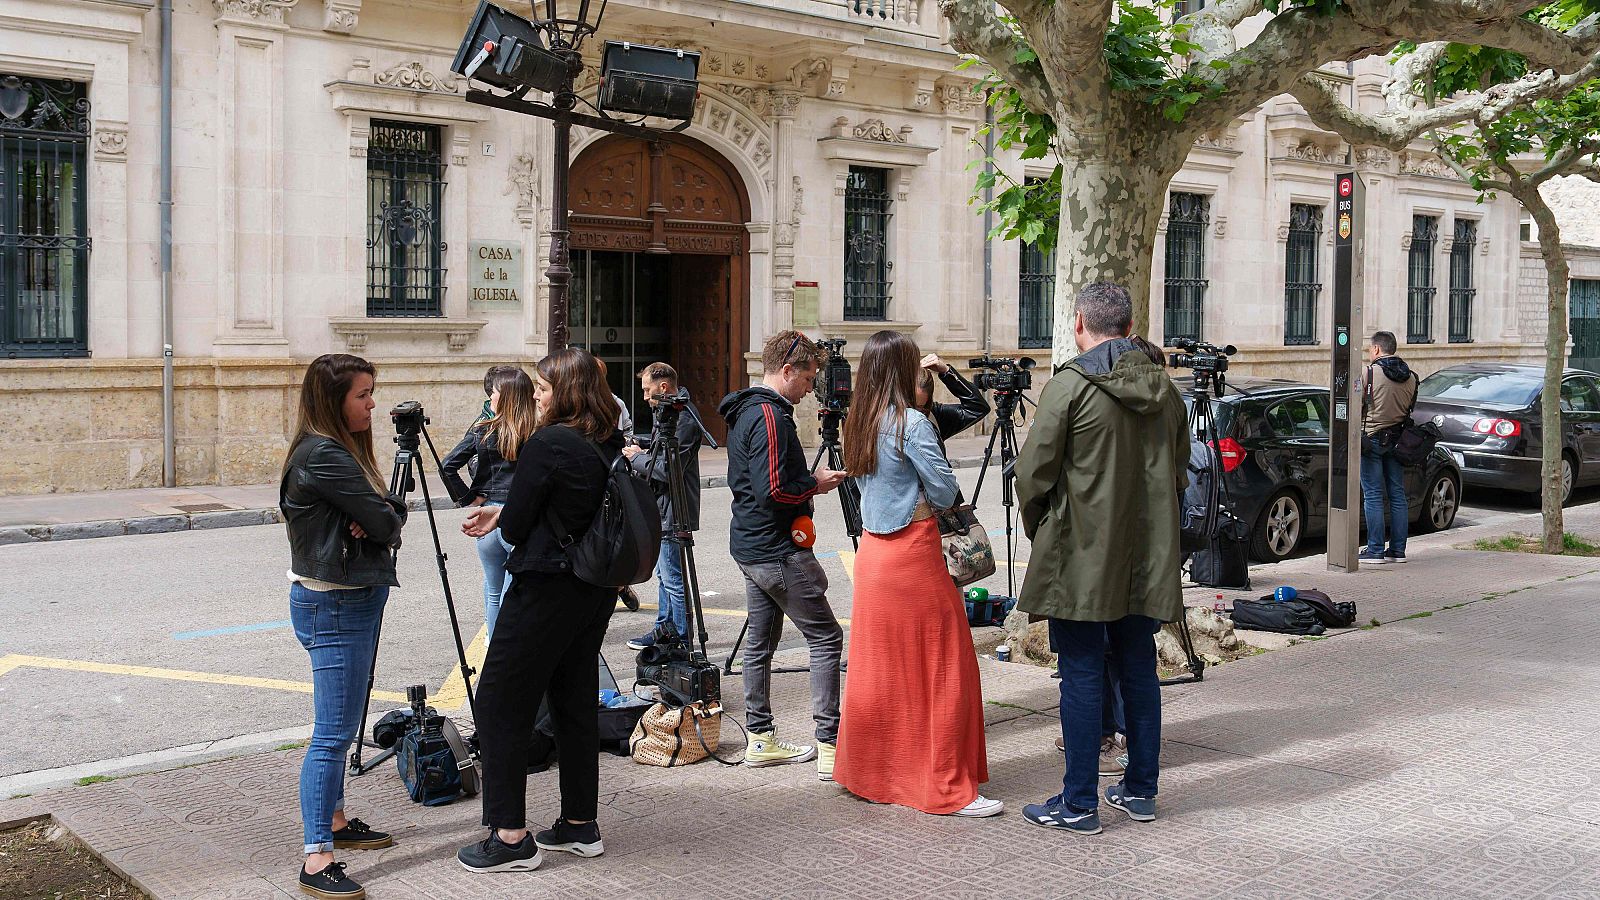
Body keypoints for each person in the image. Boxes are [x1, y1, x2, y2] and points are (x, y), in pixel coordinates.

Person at [1015, 282, 1188, 835]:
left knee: (1083, 671)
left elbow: (1032, 474)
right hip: (1148, 551)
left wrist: (1041, 526)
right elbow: (1181, 470)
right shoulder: (1166, 389)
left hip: (1083, 554)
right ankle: (1140, 790)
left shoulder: (1068, 386)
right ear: (1130, 327)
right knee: (1138, 665)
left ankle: (1079, 802)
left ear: (1079, 325)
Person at [454, 347, 625, 875]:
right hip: (592, 586)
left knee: (500, 698)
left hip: (547, 583)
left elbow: (519, 526)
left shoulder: (549, 442)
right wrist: (506, 511)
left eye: (544, 389)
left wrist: (502, 516)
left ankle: (510, 836)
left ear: (565, 393)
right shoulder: (605, 439)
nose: (537, 396)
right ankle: (578, 825)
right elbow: (561, 505)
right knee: (572, 697)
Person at [833, 331, 1000, 817]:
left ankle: (872, 774)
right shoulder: (912, 425)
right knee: (945, 668)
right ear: (903, 371)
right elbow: (946, 493)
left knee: (880, 669)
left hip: (873, 556)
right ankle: (946, 785)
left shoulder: (857, 420)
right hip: (916, 552)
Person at [280, 353, 408, 900]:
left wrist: (382, 515)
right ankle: (316, 857)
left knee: (344, 722)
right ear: (336, 401)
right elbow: (386, 520)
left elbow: (388, 513)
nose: (373, 403)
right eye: (363, 395)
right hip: (335, 606)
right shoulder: (326, 456)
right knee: (332, 734)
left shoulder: (332, 450)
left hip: (345, 599)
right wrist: (380, 517)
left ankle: (333, 821)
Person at [718, 330, 848, 779]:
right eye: (808, 379)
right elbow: (773, 488)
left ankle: (760, 738)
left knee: (759, 643)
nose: (812, 390)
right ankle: (830, 748)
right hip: (775, 549)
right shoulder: (771, 416)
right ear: (787, 370)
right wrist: (816, 484)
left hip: (751, 545)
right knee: (827, 638)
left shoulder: (743, 410)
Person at [439, 367, 538, 641]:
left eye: (493, 393)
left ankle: (495, 648)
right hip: (515, 517)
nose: (489, 398)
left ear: (505, 398)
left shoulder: (483, 430)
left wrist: (469, 497)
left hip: (487, 517)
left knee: (494, 592)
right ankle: (510, 650)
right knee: (512, 592)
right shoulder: (535, 432)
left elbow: (447, 466)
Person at [622, 362, 703, 651]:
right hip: (662, 508)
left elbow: (670, 470)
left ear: (664, 387)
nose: (644, 396)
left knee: (672, 579)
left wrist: (636, 459)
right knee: (664, 576)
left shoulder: (685, 419)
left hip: (674, 509)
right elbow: (662, 451)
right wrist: (642, 446)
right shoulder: (666, 413)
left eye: (647, 390)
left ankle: (680, 638)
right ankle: (664, 630)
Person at [1361, 330, 1418, 564]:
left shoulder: (1369, 373)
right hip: (1397, 441)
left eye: (1369, 349)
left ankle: (1375, 550)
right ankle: (1397, 550)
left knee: (1373, 494)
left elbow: (1354, 405)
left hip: (1372, 438)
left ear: (1376, 349)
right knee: (1397, 495)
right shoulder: (1412, 377)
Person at [913, 353, 991, 450]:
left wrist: (947, 372)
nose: (915, 415)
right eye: (910, 406)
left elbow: (977, 408)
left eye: (920, 408)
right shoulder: (891, 420)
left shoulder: (934, 416)